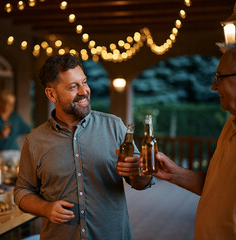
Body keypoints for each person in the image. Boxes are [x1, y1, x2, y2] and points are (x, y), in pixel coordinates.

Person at [14, 53, 153, 240]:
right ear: (51, 94)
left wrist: (138, 172)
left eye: (84, 82)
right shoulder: (34, 141)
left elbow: (141, 182)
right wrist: (45, 208)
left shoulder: (115, 126)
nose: (84, 91)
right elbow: (22, 191)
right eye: (73, 86)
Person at [151, 36, 236, 239]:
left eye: (219, 78)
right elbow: (218, 188)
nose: (214, 87)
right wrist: (174, 173)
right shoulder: (232, 124)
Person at [0, 89, 31, 166]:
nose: (11, 106)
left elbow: (29, 130)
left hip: (13, 153)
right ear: (0, 103)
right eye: (8, 104)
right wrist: (0, 135)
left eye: (12, 104)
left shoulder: (16, 117)